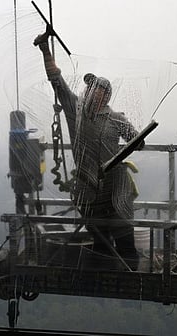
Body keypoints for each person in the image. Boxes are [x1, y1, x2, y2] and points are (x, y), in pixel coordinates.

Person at [34, 26, 142, 270]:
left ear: (105, 96)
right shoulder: (75, 112)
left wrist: (135, 142)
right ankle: (105, 272)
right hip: (88, 187)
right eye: (90, 89)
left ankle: (133, 276)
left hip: (115, 187)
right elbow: (57, 82)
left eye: (98, 90)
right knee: (100, 238)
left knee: (124, 237)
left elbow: (136, 139)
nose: (92, 93)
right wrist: (45, 50)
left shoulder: (116, 119)